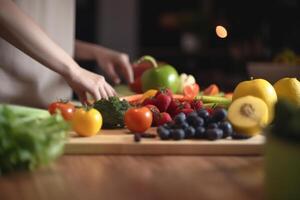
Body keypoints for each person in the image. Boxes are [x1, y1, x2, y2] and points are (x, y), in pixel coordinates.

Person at [0, 0, 133, 108]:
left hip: (57, 110)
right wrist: (74, 70)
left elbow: (42, 36)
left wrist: (96, 52)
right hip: (9, 108)